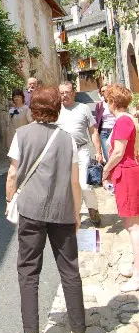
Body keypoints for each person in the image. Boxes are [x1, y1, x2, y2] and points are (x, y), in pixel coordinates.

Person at [6, 86, 87, 333]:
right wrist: (76, 212)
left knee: (28, 271)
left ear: (33, 108)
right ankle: (79, 332)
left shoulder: (22, 134)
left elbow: (12, 173)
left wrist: (10, 200)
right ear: (57, 108)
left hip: (30, 210)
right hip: (62, 211)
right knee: (70, 270)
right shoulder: (67, 139)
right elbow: (75, 181)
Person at [102, 84, 139, 293]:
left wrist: (105, 171)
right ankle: (136, 266)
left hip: (126, 173)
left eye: (108, 99)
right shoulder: (123, 120)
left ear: (113, 102)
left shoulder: (123, 121)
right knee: (130, 224)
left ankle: (138, 274)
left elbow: (118, 152)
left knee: (133, 226)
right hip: (125, 173)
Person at [57, 81, 104, 227]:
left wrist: (98, 151)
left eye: (67, 92)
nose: (65, 95)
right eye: (62, 92)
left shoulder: (83, 108)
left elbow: (93, 131)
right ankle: (73, 216)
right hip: (62, 153)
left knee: (85, 185)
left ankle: (93, 210)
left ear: (73, 93)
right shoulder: (55, 111)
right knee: (67, 187)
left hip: (82, 150)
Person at [95, 85, 116, 163]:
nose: (105, 92)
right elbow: (97, 121)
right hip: (104, 132)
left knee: (117, 153)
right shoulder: (99, 105)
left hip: (116, 130)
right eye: (103, 91)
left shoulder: (116, 102)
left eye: (107, 90)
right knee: (107, 155)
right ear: (101, 93)